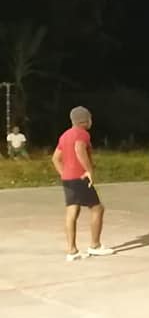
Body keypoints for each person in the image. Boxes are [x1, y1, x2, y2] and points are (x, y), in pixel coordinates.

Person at [51, 106, 114, 261]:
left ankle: (72, 251)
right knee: (97, 209)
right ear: (85, 120)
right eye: (90, 118)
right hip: (80, 178)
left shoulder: (65, 135)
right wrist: (89, 170)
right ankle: (95, 246)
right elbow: (79, 149)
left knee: (72, 212)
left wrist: (64, 174)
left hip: (68, 179)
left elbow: (55, 158)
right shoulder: (82, 133)